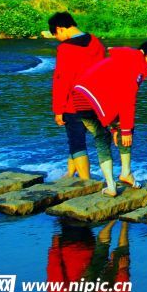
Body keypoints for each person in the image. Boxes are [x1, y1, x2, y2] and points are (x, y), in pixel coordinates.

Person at [71, 42, 147, 197]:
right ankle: (126, 173)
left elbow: (112, 95)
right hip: (92, 99)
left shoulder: (123, 59)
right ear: (143, 52)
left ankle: (111, 186)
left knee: (102, 137)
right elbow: (127, 99)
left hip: (80, 99)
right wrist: (125, 130)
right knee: (126, 128)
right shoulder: (135, 65)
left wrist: (115, 127)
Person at [48, 12, 106, 180]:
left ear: (60, 29)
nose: (58, 38)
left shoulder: (65, 48)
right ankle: (70, 173)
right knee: (76, 138)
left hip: (73, 103)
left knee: (77, 141)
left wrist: (58, 109)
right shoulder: (96, 42)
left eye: (56, 34)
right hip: (94, 100)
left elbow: (61, 80)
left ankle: (85, 181)